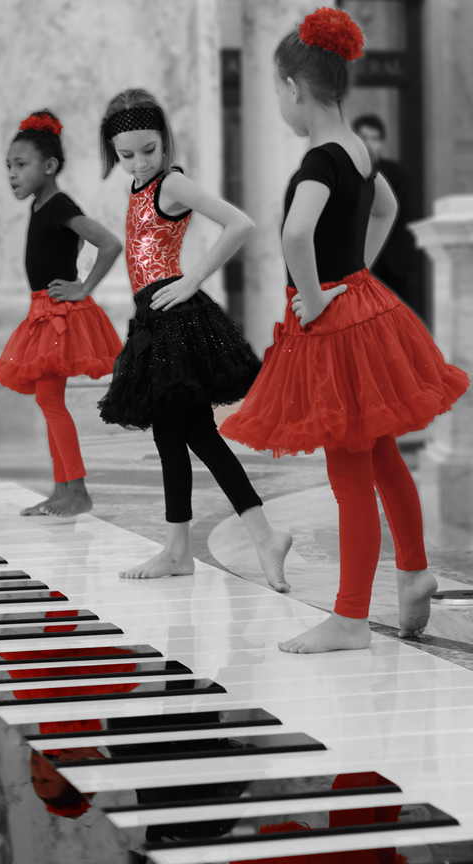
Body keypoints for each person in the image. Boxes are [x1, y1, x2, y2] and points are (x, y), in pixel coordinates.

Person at [220, 8, 470, 653]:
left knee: (349, 470)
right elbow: (384, 204)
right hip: (362, 305)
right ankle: (413, 573)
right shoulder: (357, 150)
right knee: (381, 453)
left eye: (277, 90)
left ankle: (351, 618)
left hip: (334, 325)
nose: (280, 101)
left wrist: (314, 298)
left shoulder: (315, 163)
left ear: (294, 89)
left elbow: (296, 233)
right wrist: (354, 272)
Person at [97, 89, 292, 584]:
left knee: (183, 434)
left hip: (176, 318)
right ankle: (210, 544)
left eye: (149, 150)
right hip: (155, 316)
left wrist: (191, 279)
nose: (139, 162)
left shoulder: (173, 185)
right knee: (188, 434)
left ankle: (206, 546)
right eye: (126, 155)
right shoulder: (138, 188)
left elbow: (239, 223)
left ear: (166, 143)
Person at [0, 110, 123, 517]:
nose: (12, 174)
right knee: (49, 399)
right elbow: (71, 245)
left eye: (20, 165)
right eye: (8, 166)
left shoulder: (59, 204)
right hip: (44, 311)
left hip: (59, 316)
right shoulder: (41, 205)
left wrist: (82, 286)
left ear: (49, 166)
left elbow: (109, 243)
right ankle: (64, 489)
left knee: (50, 402)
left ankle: (75, 490)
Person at [353, 113, 416, 307]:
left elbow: (402, 213)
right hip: (361, 262)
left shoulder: (396, 173)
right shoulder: (348, 172)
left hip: (394, 262)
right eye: (365, 138)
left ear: (382, 144)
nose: (370, 144)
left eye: (375, 138)